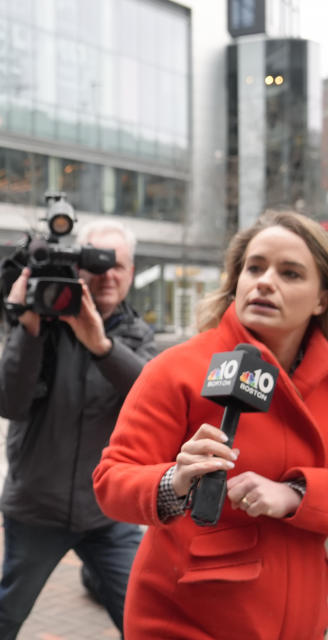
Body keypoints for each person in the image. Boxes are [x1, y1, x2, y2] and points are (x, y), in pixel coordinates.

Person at [93, 210, 328, 639]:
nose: (265, 281)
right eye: (254, 267)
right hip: (184, 619)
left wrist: (297, 495)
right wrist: (174, 480)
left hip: (304, 621)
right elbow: (111, 481)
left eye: (290, 273)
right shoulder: (178, 369)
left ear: (321, 299)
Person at [0, 219, 158, 639]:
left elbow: (150, 396)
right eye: (97, 263)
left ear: (131, 273)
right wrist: (30, 329)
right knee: (6, 614)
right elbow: (8, 402)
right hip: (38, 507)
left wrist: (102, 347)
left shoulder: (136, 335)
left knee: (141, 615)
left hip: (107, 511)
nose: (108, 274)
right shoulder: (43, 325)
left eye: (119, 265)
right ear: (76, 266)